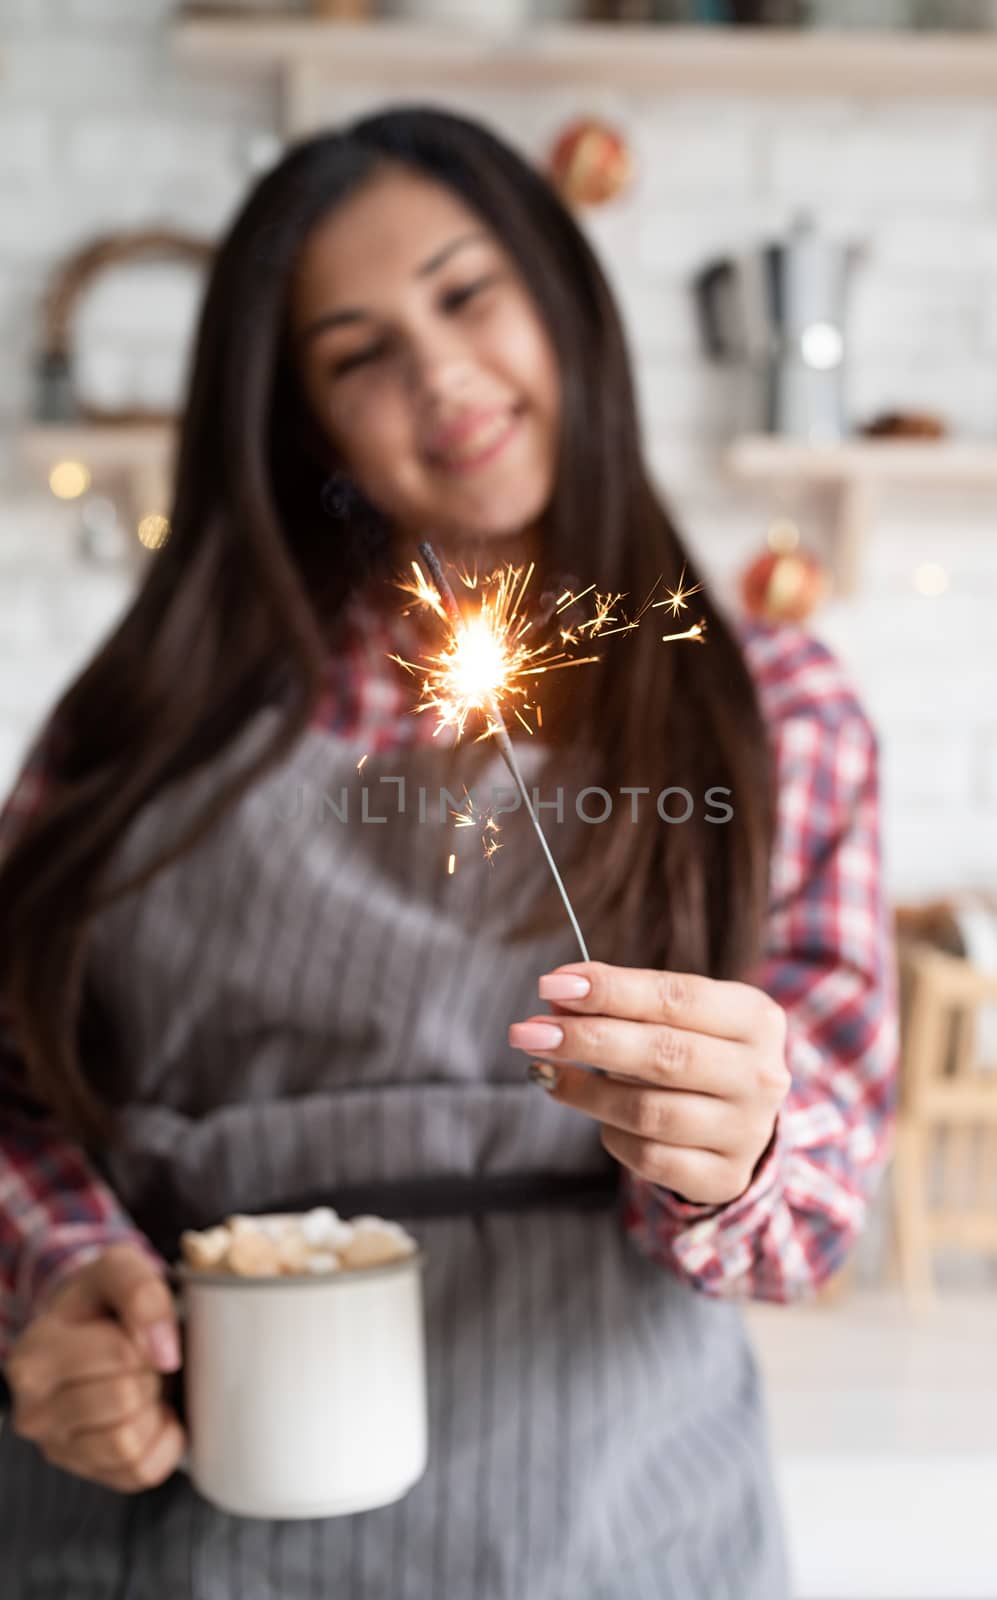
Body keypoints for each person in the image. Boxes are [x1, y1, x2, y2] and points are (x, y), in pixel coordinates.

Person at [0, 107, 896, 1598]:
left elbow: (818, 1216)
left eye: (466, 294)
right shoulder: (143, 722)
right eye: (357, 354)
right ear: (300, 418)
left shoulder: (774, 710)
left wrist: (742, 1147)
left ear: (558, 295)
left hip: (608, 1520)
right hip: (163, 1523)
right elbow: (13, 1086)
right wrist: (54, 1280)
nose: (442, 379)